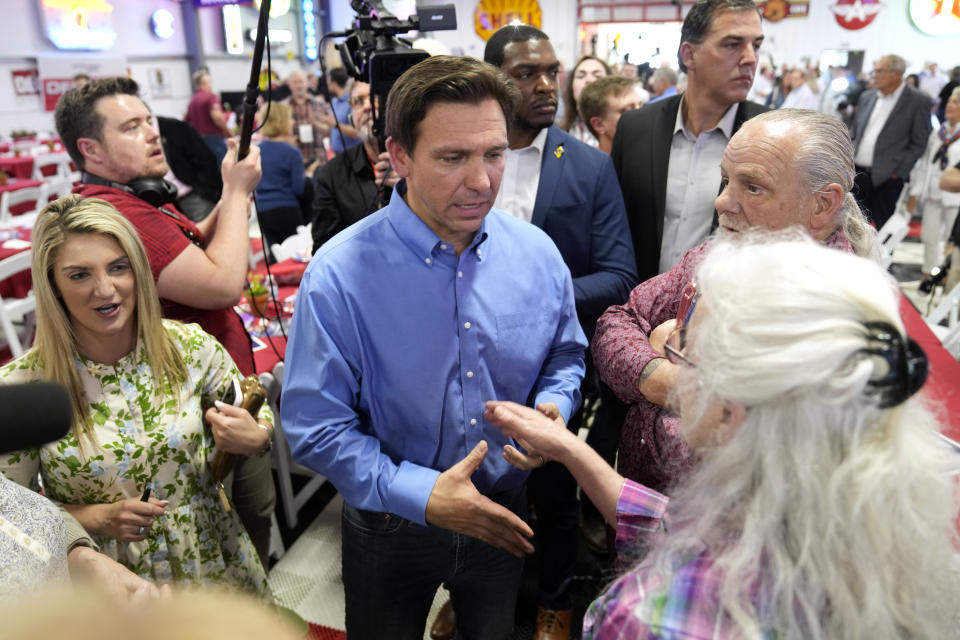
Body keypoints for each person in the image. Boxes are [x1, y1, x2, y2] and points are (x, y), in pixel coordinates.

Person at [486, 231, 959, 639]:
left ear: (731, 411)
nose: (671, 355)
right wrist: (571, 449)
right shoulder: (894, 544)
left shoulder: (651, 617)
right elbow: (677, 527)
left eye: (688, 353)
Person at [282, 55, 587, 640]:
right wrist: (422, 495)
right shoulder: (340, 274)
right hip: (389, 521)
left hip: (502, 507)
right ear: (399, 156)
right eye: (453, 158)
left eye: (494, 154)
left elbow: (565, 355)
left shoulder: (537, 254)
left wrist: (554, 408)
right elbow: (315, 426)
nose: (481, 181)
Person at [593, 109, 878, 496]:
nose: (722, 202)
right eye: (725, 179)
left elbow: (739, 442)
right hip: (641, 512)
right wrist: (672, 379)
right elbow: (617, 322)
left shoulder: (845, 314)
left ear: (823, 205)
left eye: (753, 187)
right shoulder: (721, 252)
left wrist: (663, 351)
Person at [54, 76, 276, 569]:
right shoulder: (119, 214)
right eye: (132, 127)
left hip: (211, 381)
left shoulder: (136, 198)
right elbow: (221, 283)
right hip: (192, 397)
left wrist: (229, 192)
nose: (153, 133)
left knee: (246, 514)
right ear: (90, 149)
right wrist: (237, 193)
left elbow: (194, 242)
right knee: (238, 519)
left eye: (149, 120)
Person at [0, 196, 272, 592]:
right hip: (111, 585)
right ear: (52, 284)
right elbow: (13, 516)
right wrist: (95, 518)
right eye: (79, 275)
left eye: (118, 267)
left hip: (214, 563)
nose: (105, 289)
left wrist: (257, 436)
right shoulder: (22, 387)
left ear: (138, 271)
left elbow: (255, 413)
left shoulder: (190, 348)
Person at [484, 26, 637, 639]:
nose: (546, 84)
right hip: (472, 354)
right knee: (474, 480)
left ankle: (555, 601)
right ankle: (469, 591)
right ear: (493, 78)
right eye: (526, 73)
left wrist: (531, 300)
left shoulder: (587, 168)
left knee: (554, 490)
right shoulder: (471, 158)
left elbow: (620, 274)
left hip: (555, 359)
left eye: (552, 70)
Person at [612, 0, 767, 283]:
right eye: (732, 44)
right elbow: (616, 230)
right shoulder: (636, 127)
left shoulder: (771, 138)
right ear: (689, 55)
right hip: (636, 309)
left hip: (722, 312)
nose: (750, 59)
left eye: (755, 45)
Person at [310, 80, 398, 253]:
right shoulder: (332, 174)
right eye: (358, 101)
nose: (367, 107)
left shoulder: (423, 163)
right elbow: (323, 249)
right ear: (351, 117)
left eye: (376, 98)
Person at [851, 54, 932, 229]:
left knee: (883, 228)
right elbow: (856, 132)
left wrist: (899, 172)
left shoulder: (917, 100)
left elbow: (919, 141)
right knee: (852, 226)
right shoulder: (867, 96)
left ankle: (880, 257)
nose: (874, 75)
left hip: (888, 178)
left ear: (897, 74)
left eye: (880, 71)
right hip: (857, 173)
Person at [907, 87, 960, 276]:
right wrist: (916, 192)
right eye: (949, 102)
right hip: (933, 192)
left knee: (951, 241)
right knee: (929, 236)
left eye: (955, 102)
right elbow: (924, 164)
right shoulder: (938, 133)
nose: (949, 106)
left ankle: (948, 278)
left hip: (955, 198)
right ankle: (927, 274)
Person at [254, 102, 309, 254]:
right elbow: (299, 188)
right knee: (297, 255)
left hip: (263, 211)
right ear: (281, 121)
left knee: (276, 257)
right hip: (287, 210)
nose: (292, 121)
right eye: (290, 118)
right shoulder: (292, 152)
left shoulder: (256, 151)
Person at [156, 115, 222, 223]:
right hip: (167, 203)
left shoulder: (175, 128)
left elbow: (205, 159)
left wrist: (205, 191)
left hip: (194, 195)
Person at [284, 70, 334, 175]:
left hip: (319, 159)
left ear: (307, 83)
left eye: (301, 82)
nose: (299, 86)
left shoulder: (320, 103)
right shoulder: (284, 107)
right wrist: (286, 139)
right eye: (295, 82)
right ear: (290, 85)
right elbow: (275, 134)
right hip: (294, 160)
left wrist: (315, 123)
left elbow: (331, 132)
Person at [579, 76, 644, 155]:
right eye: (629, 110)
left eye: (641, 106)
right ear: (599, 125)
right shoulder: (591, 166)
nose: (642, 116)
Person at [559, 55, 610, 147]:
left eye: (597, 76)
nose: (588, 80)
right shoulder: (559, 134)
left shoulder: (620, 132)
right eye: (581, 76)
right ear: (572, 87)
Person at [184, 70, 231, 163]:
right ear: (204, 83)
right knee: (223, 166)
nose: (210, 85)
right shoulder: (211, 97)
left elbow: (186, 121)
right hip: (214, 140)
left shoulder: (192, 101)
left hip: (198, 140)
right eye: (210, 83)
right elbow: (217, 116)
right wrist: (227, 130)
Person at [327, 67, 361, 154]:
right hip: (337, 153)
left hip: (351, 153)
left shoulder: (351, 101)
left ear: (334, 84)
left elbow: (357, 132)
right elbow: (331, 129)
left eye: (328, 81)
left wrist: (336, 124)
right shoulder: (334, 102)